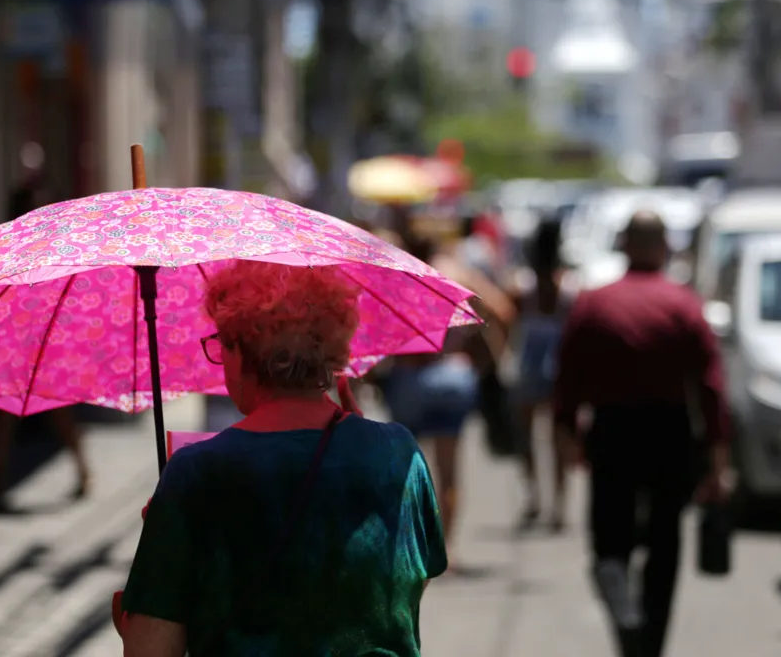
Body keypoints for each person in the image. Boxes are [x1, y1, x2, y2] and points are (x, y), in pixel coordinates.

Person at [117, 261, 447, 656]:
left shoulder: (195, 474)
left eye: (220, 343)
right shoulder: (398, 453)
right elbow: (404, 585)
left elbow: (151, 649)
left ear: (242, 349)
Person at [553, 210, 732, 657]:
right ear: (664, 246)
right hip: (669, 431)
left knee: (609, 533)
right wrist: (717, 458)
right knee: (665, 538)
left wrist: (567, 431)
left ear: (625, 244)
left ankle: (620, 599)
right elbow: (710, 385)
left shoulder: (594, 302)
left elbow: (568, 375)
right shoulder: (684, 303)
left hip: (612, 430)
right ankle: (651, 641)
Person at [384, 228, 512, 570]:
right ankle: (445, 549)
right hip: (450, 375)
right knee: (449, 471)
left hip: (408, 378)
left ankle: (407, 547)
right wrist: (484, 355)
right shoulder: (452, 271)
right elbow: (501, 308)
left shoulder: (394, 270)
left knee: (405, 468)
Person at [0, 181, 92, 510]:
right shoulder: (9, 247)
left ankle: (82, 470)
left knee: (56, 411)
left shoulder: (53, 248)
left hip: (44, 338)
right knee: (5, 413)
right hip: (16, 339)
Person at [509, 216, 577, 532]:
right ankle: (558, 505)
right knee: (558, 437)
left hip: (530, 365)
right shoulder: (569, 288)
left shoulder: (523, 287)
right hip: (561, 365)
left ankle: (535, 497)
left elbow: (509, 321)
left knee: (528, 435)